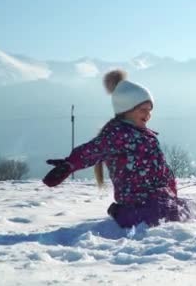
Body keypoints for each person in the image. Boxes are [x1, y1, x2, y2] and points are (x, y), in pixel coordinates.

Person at [42, 69, 188, 228]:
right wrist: (69, 165)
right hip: (136, 203)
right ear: (127, 110)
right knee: (163, 217)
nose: (148, 115)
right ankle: (120, 212)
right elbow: (92, 150)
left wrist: (172, 192)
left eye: (150, 110)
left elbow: (163, 169)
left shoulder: (148, 136)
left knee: (188, 212)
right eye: (143, 110)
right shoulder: (116, 135)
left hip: (159, 199)